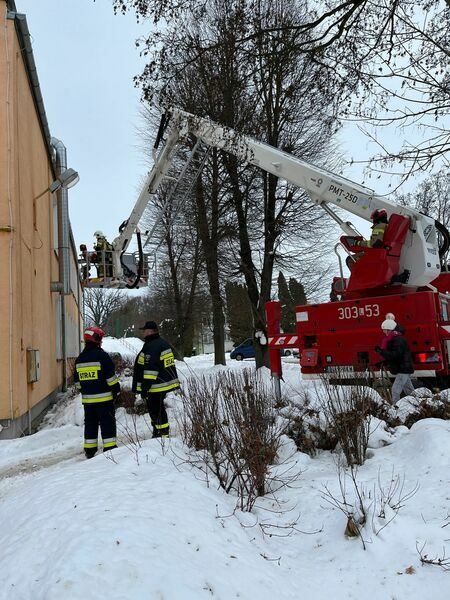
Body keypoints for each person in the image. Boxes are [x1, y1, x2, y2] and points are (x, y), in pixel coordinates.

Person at [74, 326, 121, 458]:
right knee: (107, 423)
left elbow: (77, 383)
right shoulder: (102, 356)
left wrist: (87, 390)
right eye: (100, 339)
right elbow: (110, 378)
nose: (101, 341)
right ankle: (110, 448)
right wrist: (116, 389)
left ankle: (89, 450)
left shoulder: (79, 359)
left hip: (88, 402)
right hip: (104, 400)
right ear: (96, 339)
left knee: (90, 425)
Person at [132, 320, 180, 438]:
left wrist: (145, 387)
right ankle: (160, 431)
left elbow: (151, 369)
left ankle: (161, 434)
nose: (143, 333)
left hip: (155, 386)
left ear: (149, 331)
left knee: (156, 410)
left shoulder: (152, 346)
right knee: (158, 408)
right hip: (162, 383)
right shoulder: (161, 343)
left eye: (144, 330)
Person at [374, 318, 414, 404]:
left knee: (395, 390)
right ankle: (419, 405)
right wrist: (384, 362)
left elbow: (395, 355)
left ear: (389, 329)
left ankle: (397, 409)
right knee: (410, 391)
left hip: (403, 369)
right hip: (403, 368)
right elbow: (395, 356)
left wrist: (381, 352)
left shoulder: (398, 340)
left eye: (384, 330)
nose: (384, 332)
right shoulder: (395, 339)